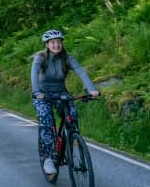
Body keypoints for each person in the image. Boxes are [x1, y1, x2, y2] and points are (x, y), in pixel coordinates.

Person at [31, 29, 100, 175]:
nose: (56, 45)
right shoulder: (41, 57)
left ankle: (72, 142)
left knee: (72, 117)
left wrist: (91, 89)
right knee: (46, 121)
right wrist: (37, 92)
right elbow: (34, 74)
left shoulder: (67, 58)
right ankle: (48, 158)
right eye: (53, 42)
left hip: (61, 93)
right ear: (47, 44)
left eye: (58, 42)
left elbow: (81, 71)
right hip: (43, 94)